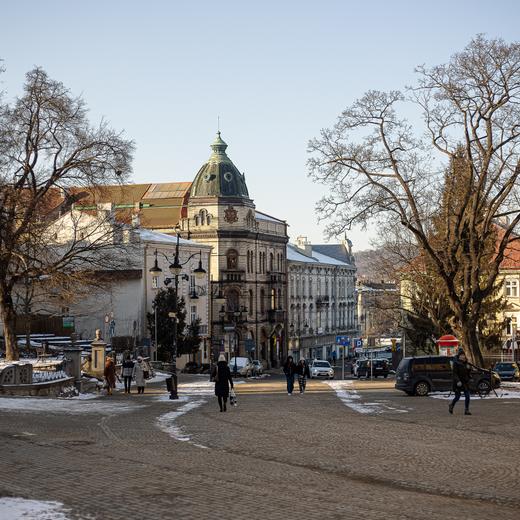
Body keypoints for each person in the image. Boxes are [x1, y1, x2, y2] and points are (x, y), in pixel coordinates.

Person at [449, 349, 472, 415]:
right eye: (461, 355)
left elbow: (468, 373)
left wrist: (469, 369)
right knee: (457, 397)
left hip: (465, 382)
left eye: (463, 355)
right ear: (459, 356)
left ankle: (466, 410)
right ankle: (451, 405)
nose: (463, 356)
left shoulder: (466, 363)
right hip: (458, 383)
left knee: (467, 395)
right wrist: (458, 381)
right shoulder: (455, 363)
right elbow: (454, 373)